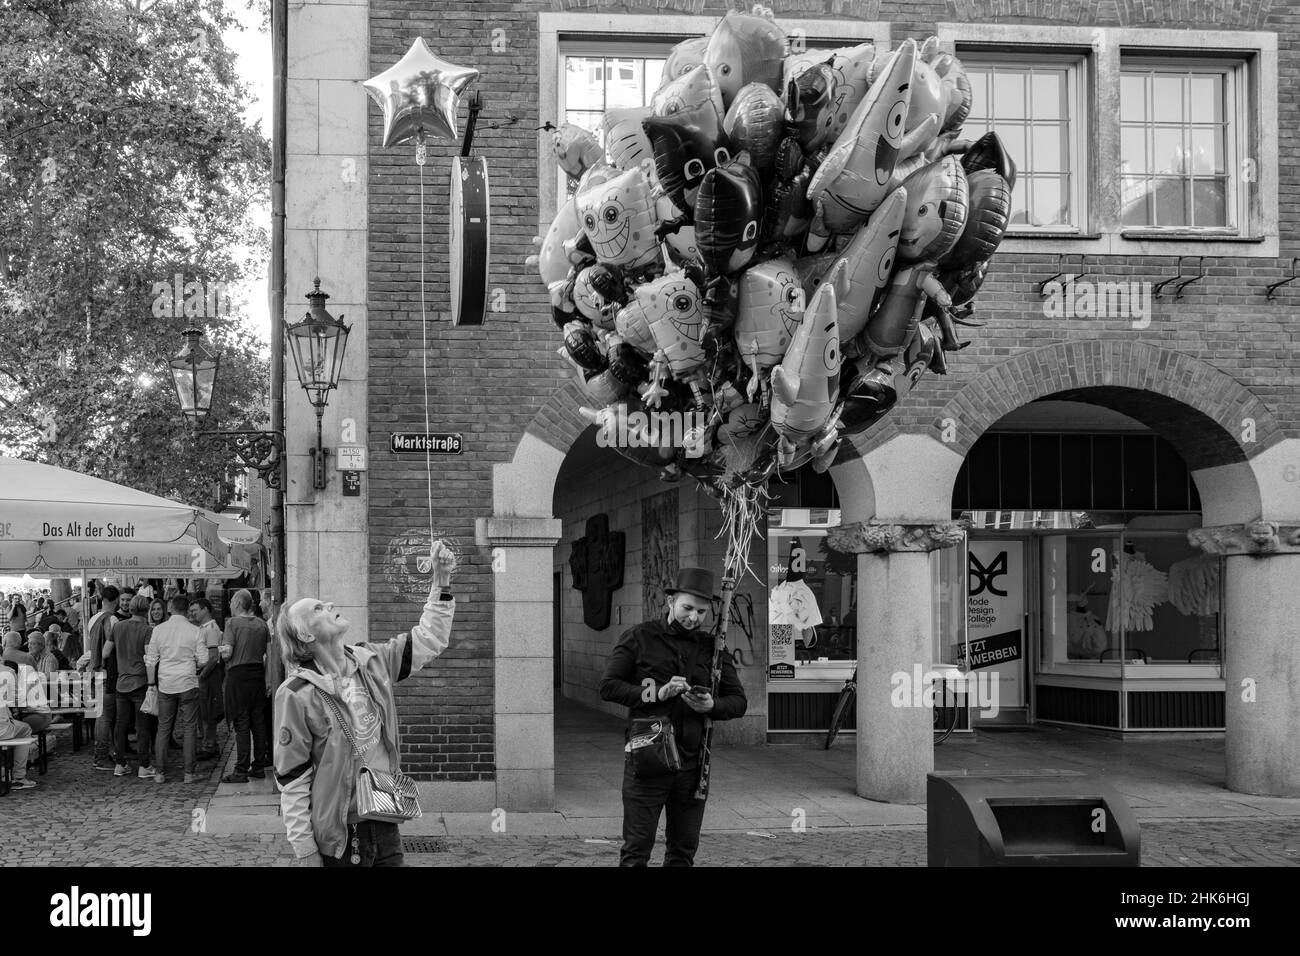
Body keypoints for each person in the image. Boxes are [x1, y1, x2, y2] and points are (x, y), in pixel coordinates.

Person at [274, 541, 458, 868]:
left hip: (385, 816)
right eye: (317, 609)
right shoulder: (296, 694)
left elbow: (429, 639)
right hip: (340, 834)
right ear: (304, 637)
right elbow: (292, 779)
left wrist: (441, 584)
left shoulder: (373, 661)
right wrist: (305, 849)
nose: (328, 604)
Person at [599, 566, 748, 867]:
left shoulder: (713, 648)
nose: (693, 618)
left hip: (693, 766)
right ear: (670, 602)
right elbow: (608, 687)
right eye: (687, 608)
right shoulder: (639, 637)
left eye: (702, 612)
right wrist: (657, 694)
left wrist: (711, 706)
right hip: (648, 759)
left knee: (683, 852)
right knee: (636, 850)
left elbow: (738, 701)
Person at [144, 595, 206, 784]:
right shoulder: (195, 630)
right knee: (189, 728)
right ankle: (188, 773)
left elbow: (151, 659)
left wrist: (151, 684)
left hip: (166, 682)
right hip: (187, 681)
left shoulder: (159, 630)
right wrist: (193, 663)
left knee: (164, 727)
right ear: (187, 609)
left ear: (170, 608)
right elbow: (204, 659)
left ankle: (160, 772)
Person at [219, 589, 272, 783]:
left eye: (232, 601)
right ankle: (258, 766)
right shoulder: (262, 625)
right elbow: (269, 654)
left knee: (242, 724)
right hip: (257, 675)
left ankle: (240, 770)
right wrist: (269, 680)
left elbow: (227, 653)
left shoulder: (231, 624)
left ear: (238, 603)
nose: (231, 604)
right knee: (258, 723)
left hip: (238, 676)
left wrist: (221, 650)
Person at [112, 594, 155, 779]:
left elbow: (106, 652)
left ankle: (120, 764)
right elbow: (149, 658)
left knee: (121, 724)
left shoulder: (118, 627)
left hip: (121, 682)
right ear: (147, 610)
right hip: (140, 682)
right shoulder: (147, 630)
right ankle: (144, 765)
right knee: (142, 726)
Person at [88, 585, 121, 772]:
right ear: (116, 600)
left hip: (95, 671)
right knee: (105, 717)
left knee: (102, 715)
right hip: (107, 672)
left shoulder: (93, 619)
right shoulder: (112, 619)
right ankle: (101, 756)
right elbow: (111, 647)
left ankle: (102, 753)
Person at [189, 598, 222, 760]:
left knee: (208, 711)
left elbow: (214, 657)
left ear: (205, 610)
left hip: (208, 675)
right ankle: (210, 743)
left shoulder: (211, 628)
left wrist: (202, 676)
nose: (192, 613)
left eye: (195, 610)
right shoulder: (203, 628)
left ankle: (209, 745)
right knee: (204, 711)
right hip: (203, 673)